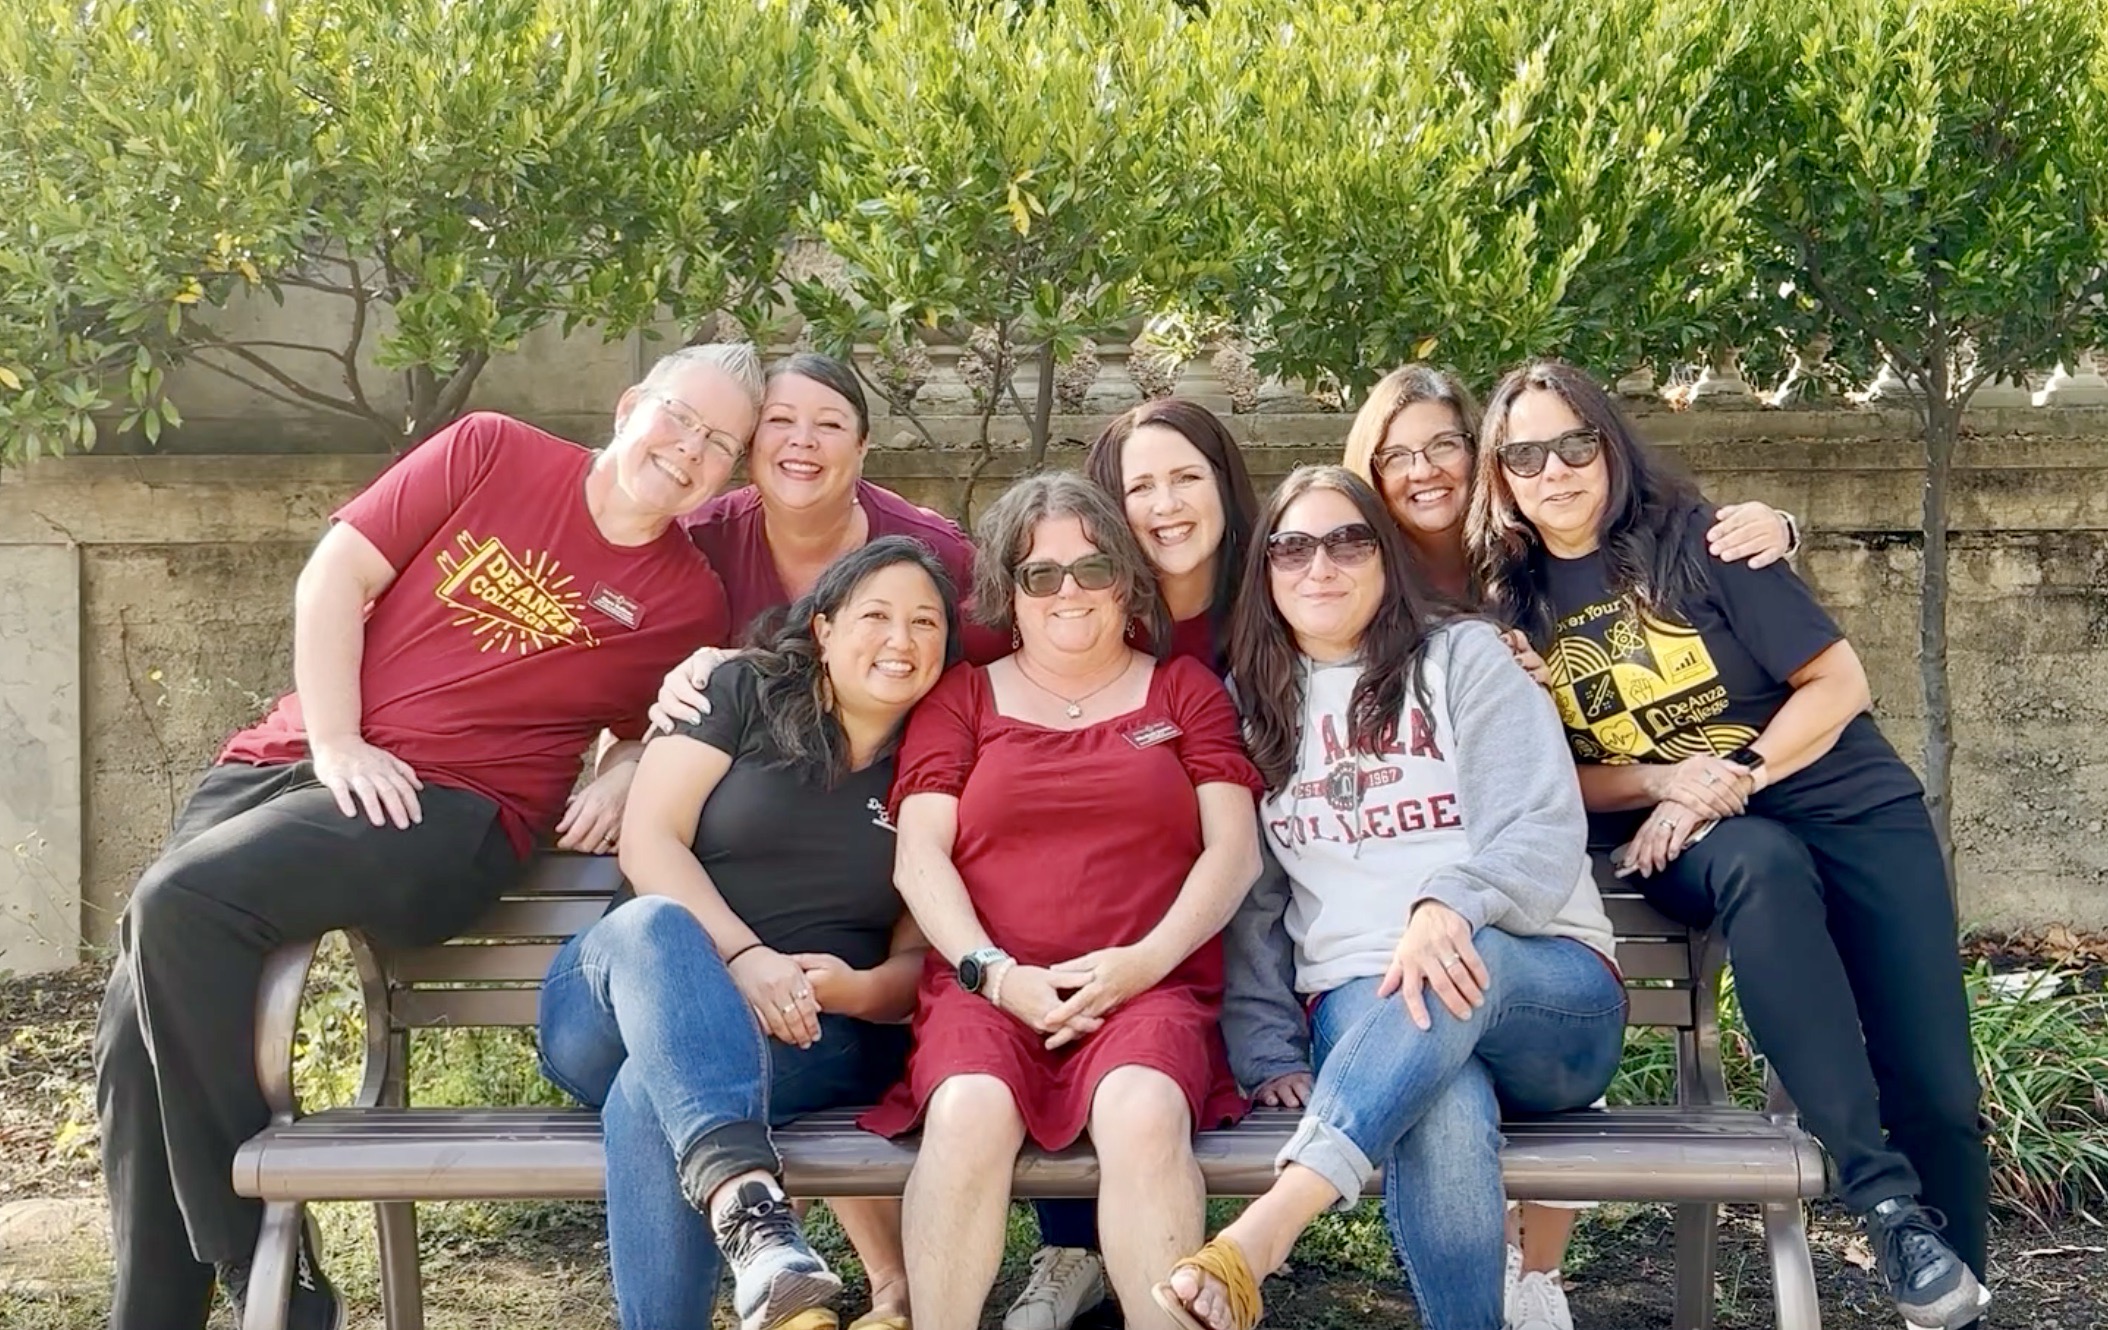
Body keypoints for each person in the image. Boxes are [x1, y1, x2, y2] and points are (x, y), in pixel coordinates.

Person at [93, 343, 766, 1330]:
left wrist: (622, 771)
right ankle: (156, 1314)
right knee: (131, 1030)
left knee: (177, 903)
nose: (689, 449)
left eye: (719, 444)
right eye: (680, 417)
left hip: (452, 812)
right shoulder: (491, 450)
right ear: (629, 404)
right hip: (294, 761)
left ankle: (264, 1271)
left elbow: (655, 728)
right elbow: (335, 576)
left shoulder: (683, 598)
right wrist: (335, 740)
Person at [1471, 359, 1991, 1330]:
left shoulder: (1700, 540)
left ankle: (1948, 1290)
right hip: (1693, 842)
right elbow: (1551, 781)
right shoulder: (1508, 611)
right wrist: (1668, 785)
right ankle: (1879, 1201)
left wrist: (1734, 775)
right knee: (1757, 859)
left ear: (1608, 448)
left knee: (1937, 1089)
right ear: (1499, 476)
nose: (1553, 470)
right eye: (1524, 454)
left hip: (1848, 807)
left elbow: (1836, 685)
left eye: (1573, 444)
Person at [1339, 361, 1799, 1330]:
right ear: (1367, 470)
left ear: (1480, 458)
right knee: (1469, 1014)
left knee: (1532, 974)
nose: (1421, 470)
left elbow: (1653, 556)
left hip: (1556, 828)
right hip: (1429, 847)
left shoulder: (1515, 554)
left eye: (1441, 446)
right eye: (1395, 455)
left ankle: (1535, 1273)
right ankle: (1498, 1271)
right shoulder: (1352, 568)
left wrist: (1780, 528)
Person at [1157, 466, 1623, 1330]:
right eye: (1292, 547)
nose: (1319, 566)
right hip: (1366, 1010)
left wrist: (1448, 903)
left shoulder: (1465, 657)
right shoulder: (1252, 707)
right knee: (1442, 1099)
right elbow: (1255, 901)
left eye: (1348, 541)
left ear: (1385, 558)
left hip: (1545, 993)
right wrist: (1267, 1051)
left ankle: (1271, 1225)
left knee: (1453, 961)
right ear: (1264, 572)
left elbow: (1541, 825)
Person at [862, 471, 1263, 1330]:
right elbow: (919, 856)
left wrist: (1141, 966)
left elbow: (1234, 850)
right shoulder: (962, 697)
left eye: (1092, 568)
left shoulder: (1182, 691)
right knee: (968, 1113)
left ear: (1126, 576)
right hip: (990, 990)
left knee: (1145, 1111)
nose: (1068, 591)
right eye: (1040, 575)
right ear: (1011, 593)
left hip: (1148, 988)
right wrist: (996, 975)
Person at [538, 537, 962, 1330]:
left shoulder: (937, 762)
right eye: (876, 615)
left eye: (926, 623)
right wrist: (744, 957)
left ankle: (751, 1232)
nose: (901, 640)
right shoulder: (738, 690)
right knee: (657, 922)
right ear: (825, 627)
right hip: (618, 996)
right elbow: (649, 840)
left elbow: (917, 958)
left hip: (805, 1029)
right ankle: (751, 1208)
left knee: (651, 1092)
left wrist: (861, 990)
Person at [996, 398, 1265, 1330]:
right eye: (1136, 486)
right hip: (1116, 921)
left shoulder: (1280, 592)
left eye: (1185, 476)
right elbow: (888, 642)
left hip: (1270, 901)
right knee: (1077, 952)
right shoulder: (1071, 608)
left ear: (1225, 485)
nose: (1164, 504)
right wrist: (708, 673)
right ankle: (1074, 1249)